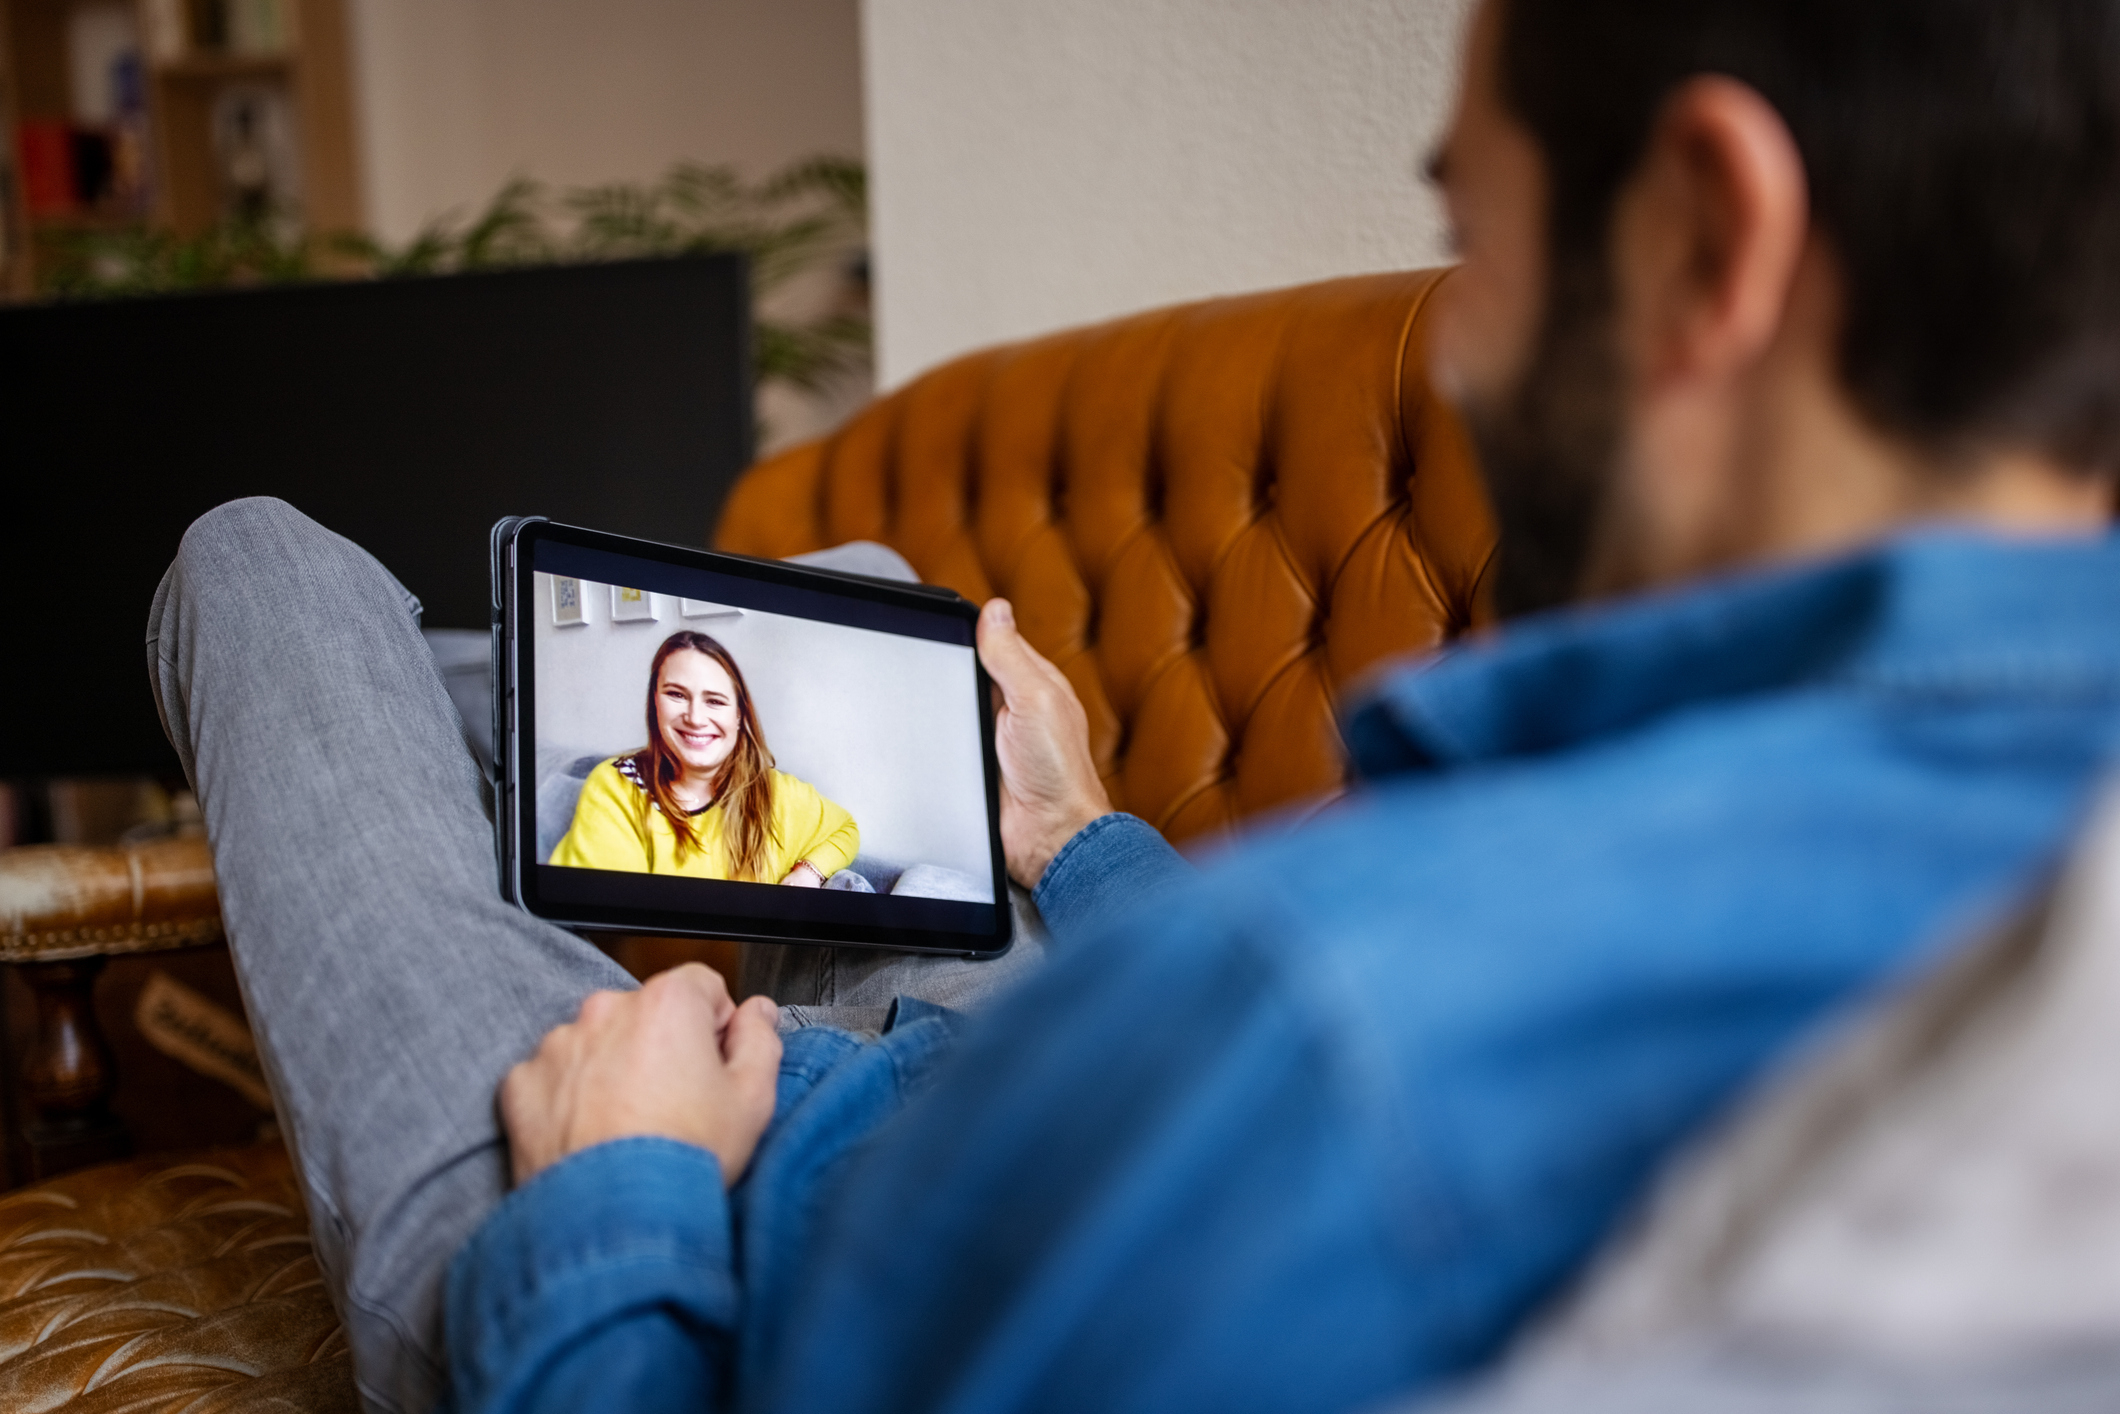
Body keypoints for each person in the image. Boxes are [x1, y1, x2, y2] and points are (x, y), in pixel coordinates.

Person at [143, 2, 2120, 1412]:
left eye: (1472, 235)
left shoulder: (1319, 1023)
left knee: (260, 562)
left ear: (1704, 238)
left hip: (685, 1229)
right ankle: (483, 707)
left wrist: (615, 1180)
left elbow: (1305, 1053)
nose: (1457, 348)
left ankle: (432, 709)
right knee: (872, 604)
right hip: (983, 1077)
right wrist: (1082, 836)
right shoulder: (2021, 826)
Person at [548, 630, 858, 885]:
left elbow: (845, 829)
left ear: (739, 715)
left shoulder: (776, 792)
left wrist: (809, 872)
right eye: (676, 695)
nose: (695, 718)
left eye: (715, 701)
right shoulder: (616, 786)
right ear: (655, 702)